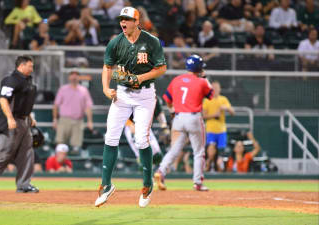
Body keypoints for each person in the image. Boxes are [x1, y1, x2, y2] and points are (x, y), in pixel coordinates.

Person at [94, 7, 167, 208]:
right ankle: (106, 185)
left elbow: (162, 68)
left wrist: (140, 78)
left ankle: (147, 185)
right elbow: (107, 67)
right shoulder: (115, 42)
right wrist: (106, 89)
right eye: (121, 20)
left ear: (137, 21)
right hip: (123, 93)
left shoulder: (150, 41)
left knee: (141, 139)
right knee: (110, 137)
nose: (123, 23)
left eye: (127, 19)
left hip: (145, 95)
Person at [154, 54, 213, 192]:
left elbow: (167, 99)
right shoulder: (201, 81)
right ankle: (197, 182)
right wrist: (204, 78)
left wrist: (172, 111)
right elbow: (211, 95)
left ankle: (161, 171)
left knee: (174, 149)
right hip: (194, 118)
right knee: (198, 152)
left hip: (178, 117)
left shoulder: (177, 80)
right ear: (199, 68)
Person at [0, 55, 39, 194]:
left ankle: (24, 184)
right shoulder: (11, 80)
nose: (32, 68)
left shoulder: (27, 80)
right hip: (11, 121)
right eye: (30, 66)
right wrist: (10, 118)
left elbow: (23, 102)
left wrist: (29, 116)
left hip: (24, 121)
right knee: (5, 153)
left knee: (27, 153)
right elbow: (3, 100)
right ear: (22, 65)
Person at [52, 70, 94, 155]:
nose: (74, 77)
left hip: (78, 121)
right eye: (72, 75)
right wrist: (55, 120)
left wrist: (90, 121)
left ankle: (73, 165)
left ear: (79, 77)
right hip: (64, 120)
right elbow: (56, 106)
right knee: (60, 144)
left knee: (76, 147)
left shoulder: (84, 90)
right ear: (69, 77)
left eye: (76, 75)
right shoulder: (63, 89)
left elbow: (88, 107)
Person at [202, 81, 234, 172]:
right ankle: (209, 164)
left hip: (221, 130)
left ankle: (219, 168)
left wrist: (226, 108)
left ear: (220, 89)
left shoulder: (223, 99)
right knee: (211, 148)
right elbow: (203, 116)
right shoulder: (207, 100)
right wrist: (214, 115)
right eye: (213, 88)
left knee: (221, 151)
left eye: (217, 88)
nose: (215, 90)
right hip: (211, 129)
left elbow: (232, 112)